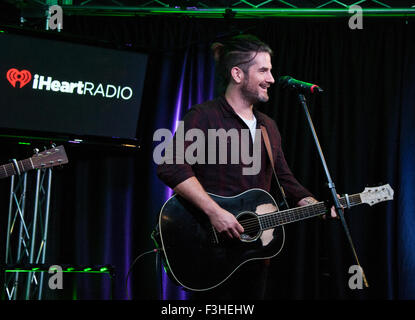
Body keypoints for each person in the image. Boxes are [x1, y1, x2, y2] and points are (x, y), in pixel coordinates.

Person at [156, 34, 337, 299]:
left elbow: (285, 179)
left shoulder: (268, 126)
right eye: (263, 70)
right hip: (210, 252)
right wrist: (215, 212)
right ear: (238, 74)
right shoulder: (204, 116)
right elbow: (171, 166)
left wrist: (312, 203)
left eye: (271, 70)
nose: (272, 79)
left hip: (253, 255)